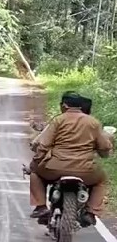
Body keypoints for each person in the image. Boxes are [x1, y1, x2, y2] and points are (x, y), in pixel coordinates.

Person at [29, 91, 112, 225]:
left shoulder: (58, 120)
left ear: (64, 106)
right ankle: (91, 212)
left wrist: (35, 163)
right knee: (100, 180)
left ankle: (41, 206)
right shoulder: (93, 122)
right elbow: (104, 146)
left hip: (55, 168)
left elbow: (43, 145)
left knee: (35, 174)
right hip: (86, 170)